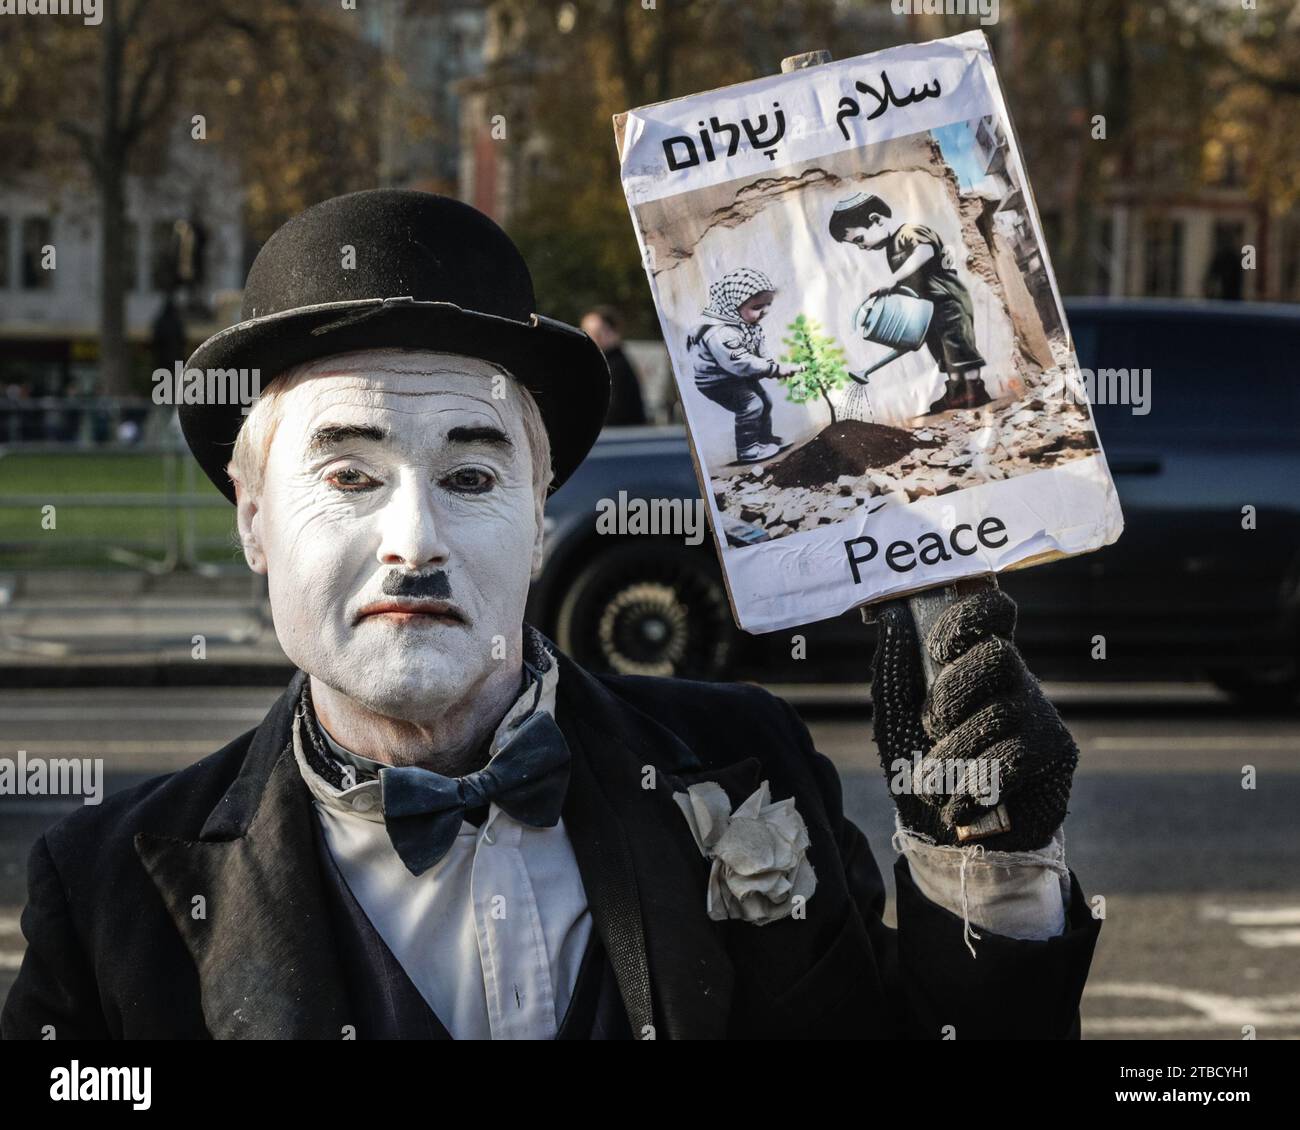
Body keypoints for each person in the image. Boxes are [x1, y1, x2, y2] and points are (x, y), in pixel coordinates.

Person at [2, 190, 1097, 1040]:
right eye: (346, 476)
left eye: (473, 478)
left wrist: (988, 868)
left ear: (537, 521)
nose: (415, 540)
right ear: (253, 519)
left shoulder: (748, 761)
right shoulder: (108, 899)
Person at [830, 192, 992, 415]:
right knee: (941, 349)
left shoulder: (908, 233)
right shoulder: (891, 245)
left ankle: (972, 390)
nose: (862, 247)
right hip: (930, 307)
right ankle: (958, 390)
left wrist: (891, 283)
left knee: (957, 344)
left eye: (859, 240)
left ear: (876, 219)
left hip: (947, 299)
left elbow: (924, 253)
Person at [686, 267, 803, 463]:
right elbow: (739, 361)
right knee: (750, 404)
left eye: (768, 304)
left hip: (735, 375)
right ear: (733, 305)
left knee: (765, 402)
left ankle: (763, 440)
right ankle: (747, 450)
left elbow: (759, 348)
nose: (764, 311)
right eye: (757, 307)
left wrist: (771, 364)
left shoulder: (746, 325)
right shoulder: (719, 332)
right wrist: (774, 370)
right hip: (716, 381)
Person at [580, 305, 648, 426]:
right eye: (586, 332)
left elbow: (612, 414)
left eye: (598, 332)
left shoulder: (616, 366)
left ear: (614, 332)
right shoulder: (607, 363)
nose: (591, 338)